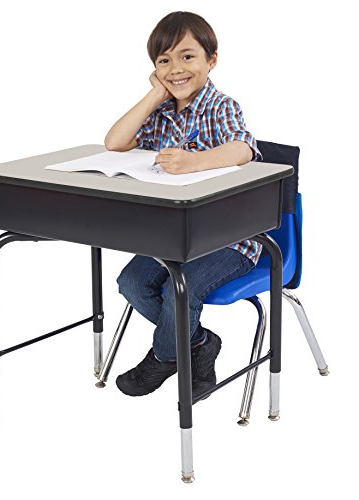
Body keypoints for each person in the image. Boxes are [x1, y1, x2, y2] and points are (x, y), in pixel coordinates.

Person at [104, 11, 262, 399]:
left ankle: (162, 357)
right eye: (164, 61)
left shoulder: (221, 106)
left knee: (182, 290)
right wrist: (155, 95)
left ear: (212, 60)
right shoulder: (160, 113)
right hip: (175, 237)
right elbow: (115, 143)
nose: (176, 68)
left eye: (187, 56)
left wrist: (196, 161)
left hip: (230, 238)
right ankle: (199, 345)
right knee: (132, 283)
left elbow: (243, 148)